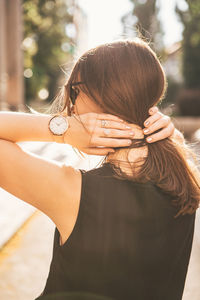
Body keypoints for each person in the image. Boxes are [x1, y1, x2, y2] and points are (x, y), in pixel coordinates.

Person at [0, 38, 199, 300]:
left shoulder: (71, 190)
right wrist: (167, 133)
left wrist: (61, 129)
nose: (71, 106)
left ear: (102, 95)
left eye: (74, 91)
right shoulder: (187, 178)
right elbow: (175, 150)